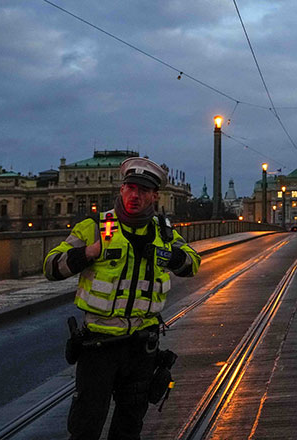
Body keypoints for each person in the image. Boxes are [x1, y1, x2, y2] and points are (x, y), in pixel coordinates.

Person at [44, 156, 200, 440]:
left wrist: (169, 256)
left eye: (143, 190)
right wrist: (88, 252)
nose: (135, 195)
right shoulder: (94, 227)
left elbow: (192, 264)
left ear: (154, 196)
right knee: (86, 427)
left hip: (141, 347)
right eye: (130, 188)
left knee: (129, 428)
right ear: (121, 190)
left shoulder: (163, 233)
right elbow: (51, 267)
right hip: (99, 345)